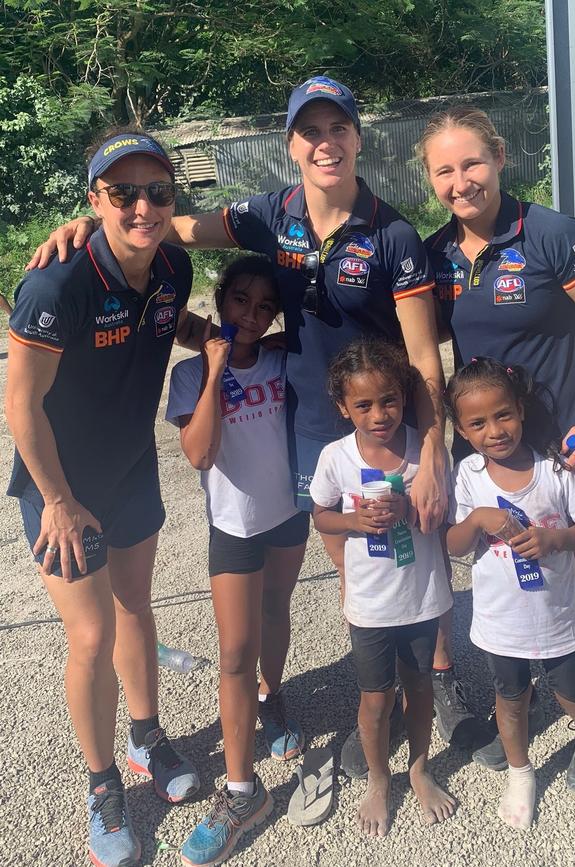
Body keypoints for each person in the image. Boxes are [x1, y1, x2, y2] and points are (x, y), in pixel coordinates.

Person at [27, 77, 476, 768]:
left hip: (384, 415)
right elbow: (166, 225)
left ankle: (437, 673)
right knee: (355, 553)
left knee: (418, 539)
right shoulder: (272, 214)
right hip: (309, 417)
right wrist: (94, 225)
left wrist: (435, 447)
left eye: (339, 129)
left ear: (358, 138)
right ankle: (379, 686)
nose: (326, 143)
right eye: (311, 131)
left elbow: (421, 355)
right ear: (292, 143)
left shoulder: (394, 233)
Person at [4, 131, 216, 867]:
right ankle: (102, 786)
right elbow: (20, 405)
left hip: (132, 470)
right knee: (91, 636)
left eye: (156, 191)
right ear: (94, 200)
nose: (142, 206)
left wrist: (225, 340)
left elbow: (168, 326)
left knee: (135, 607)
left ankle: (145, 737)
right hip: (62, 486)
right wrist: (58, 501)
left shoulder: (174, 269)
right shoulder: (55, 285)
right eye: (121, 192)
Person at [417, 106, 575, 784]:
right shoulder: (435, 255)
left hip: (566, 451)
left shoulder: (549, 234)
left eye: (472, 163)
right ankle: (528, 699)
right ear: (430, 179)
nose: (462, 181)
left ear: (501, 156)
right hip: (487, 459)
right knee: (507, 582)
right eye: (444, 170)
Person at [445, 357, 575, 840]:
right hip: (499, 624)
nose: (494, 430)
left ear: (520, 410)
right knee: (509, 701)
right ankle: (521, 774)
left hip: (558, 622)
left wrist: (556, 540)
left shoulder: (553, 470)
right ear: (462, 431)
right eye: (478, 423)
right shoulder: (467, 476)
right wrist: (479, 517)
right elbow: (454, 544)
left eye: (503, 414)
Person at [165, 255, 309, 866]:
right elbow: (198, 454)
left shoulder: (282, 357)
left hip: (289, 514)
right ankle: (242, 790)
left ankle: (272, 699)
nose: (251, 315)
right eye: (240, 301)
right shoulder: (190, 375)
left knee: (278, 612)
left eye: (264, 306)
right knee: (232, 655)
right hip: (234, 528)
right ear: (220, 302)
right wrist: (216, 363)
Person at [310, 337, 456, 836]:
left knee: (418, 687)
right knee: (375, 698)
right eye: (364, 405)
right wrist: (352, 522)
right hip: (370, 604)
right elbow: (321, 515)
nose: (379, 415)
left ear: (405, 396)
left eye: (390, 400)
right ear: (342, 407)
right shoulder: (336, 457)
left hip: (423, 597)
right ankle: (379, 778)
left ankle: (418, 767)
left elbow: (449, 523)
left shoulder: (426, 452)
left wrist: (413, 512)